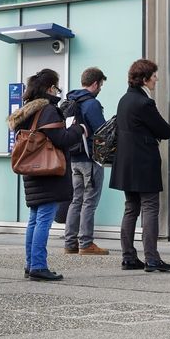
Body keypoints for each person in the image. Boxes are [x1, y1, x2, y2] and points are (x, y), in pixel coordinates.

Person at [9, 69, 88, 281]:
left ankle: (30, 264)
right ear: (50, 87)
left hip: (32, 171)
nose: (58, 90)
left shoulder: (27, 111)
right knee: (43, 220)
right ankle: (38, 266)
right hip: (48, 171)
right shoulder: (48, 110)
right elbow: (61, 138)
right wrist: (79, 130)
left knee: (34, 220)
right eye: (56, 86)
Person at [110, 59, 170, 273]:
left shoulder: (123, 100)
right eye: (154, 76)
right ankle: (152, 258)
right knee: (150, 207)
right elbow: (165, 131)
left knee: (131, 208)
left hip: (126, 163)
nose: (156, 79)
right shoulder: (144, 103)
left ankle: (128, 256)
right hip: (144, 162)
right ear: (145, 79)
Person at [63, 67, 109, 256]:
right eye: (101, 85)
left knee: (76, 200)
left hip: (74, 159)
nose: (100, 89)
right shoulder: (91, 104)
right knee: (89, 201)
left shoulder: (71, 101)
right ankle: (86, 243)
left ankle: (70, 242)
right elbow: (102, 131)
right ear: (95, 83)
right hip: (91, 159)